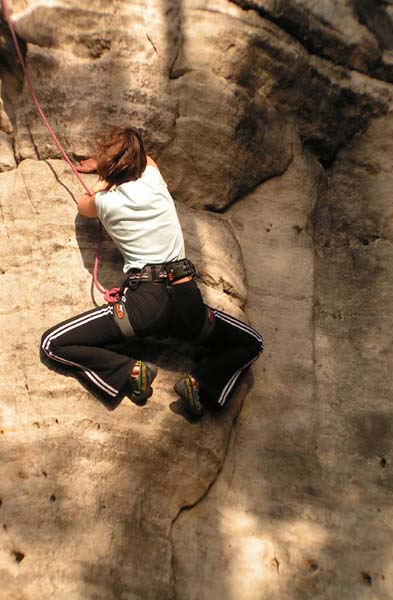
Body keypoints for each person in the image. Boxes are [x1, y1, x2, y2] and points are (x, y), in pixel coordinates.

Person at [40, 126, 263, 419]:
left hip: (144, 306)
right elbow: (148, 160)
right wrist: (114, 164)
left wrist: (103, 176)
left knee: (53, 343)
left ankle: (131, 371)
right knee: (251, 343)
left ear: (110, 170)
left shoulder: (105, 202)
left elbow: (84, 205)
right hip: (187, 304)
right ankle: (200, 382)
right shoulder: (155, 181)